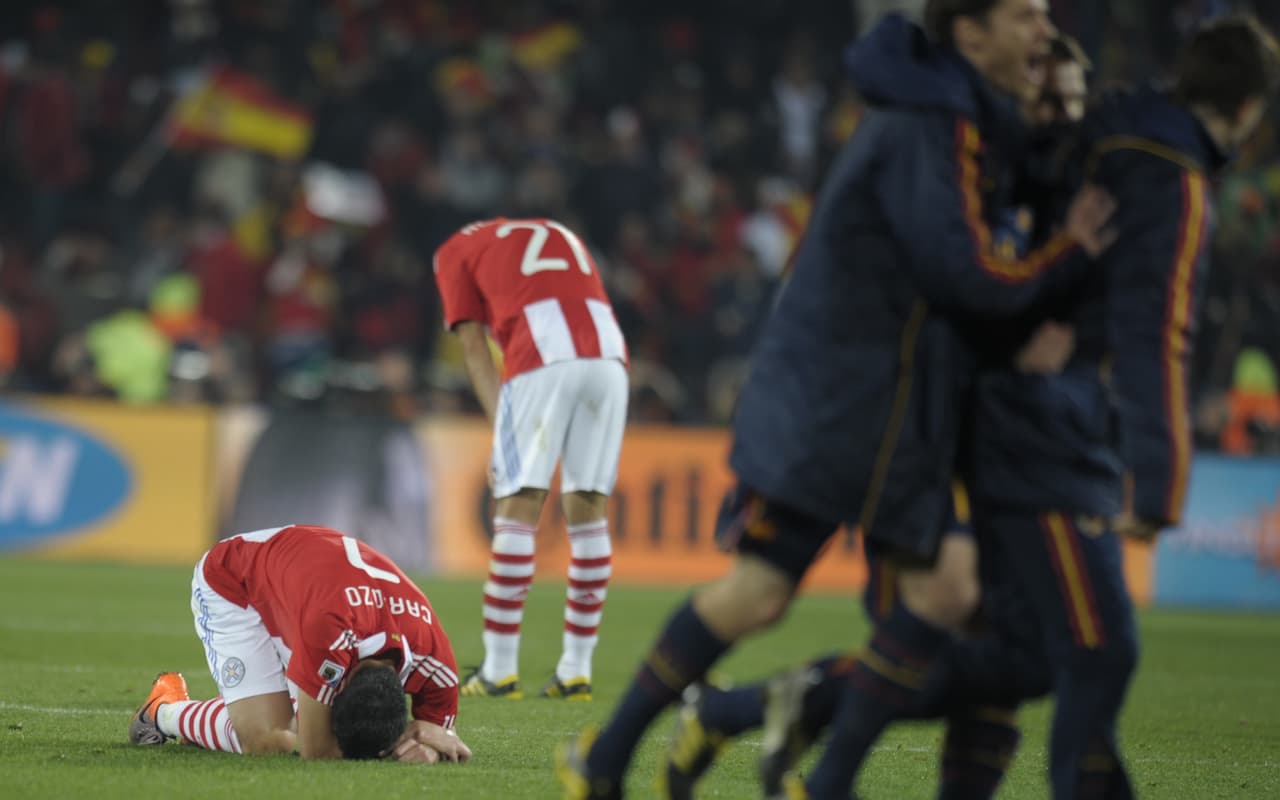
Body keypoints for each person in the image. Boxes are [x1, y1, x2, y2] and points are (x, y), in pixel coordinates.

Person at [557, 1, 1116, 796]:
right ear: (970, 33)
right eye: (1024, 17)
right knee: (763, 594)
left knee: (951, 597)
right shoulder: (932, 128)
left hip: (899, 415)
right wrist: (1067, 259)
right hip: (836, 407)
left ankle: (796, 765)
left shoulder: (965, 129)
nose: (1040, 31)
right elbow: (963, 277)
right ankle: (612, 758)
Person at [432, 217, 628, 701]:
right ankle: (576, 671)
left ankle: (499, 671)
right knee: (589, 511)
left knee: (517, 509)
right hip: (609, 355)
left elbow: (473, 347)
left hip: (542, 352)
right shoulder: (558, 229)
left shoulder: (452, 250)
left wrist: (502, 431)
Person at [128, 524, 472, 762]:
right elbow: (316, 750)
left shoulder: (438, 666)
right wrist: (402, 740)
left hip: (309, 582)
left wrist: (430, 744)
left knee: (293, 718)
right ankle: (163, 710)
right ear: (341, 682)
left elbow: (444, 741)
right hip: (235, 579)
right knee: (269, 739)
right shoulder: (329, 634)